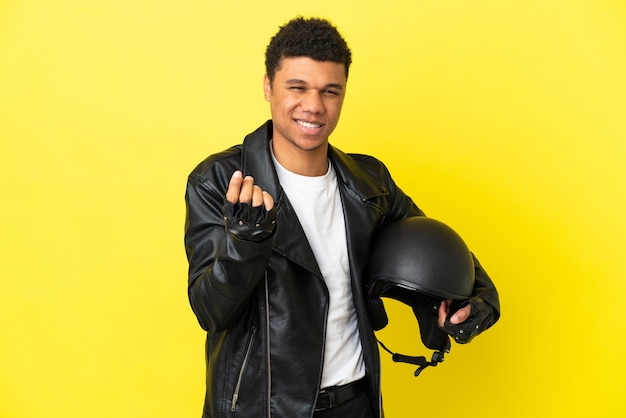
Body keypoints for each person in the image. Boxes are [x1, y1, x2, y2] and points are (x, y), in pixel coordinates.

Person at [184, 16, 500, 418]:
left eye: (329, 91)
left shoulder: (368, 182)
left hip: (355, 404)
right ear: (268, 86)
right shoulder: (218, 180)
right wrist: (246, 242)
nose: (313, 106)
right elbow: (210, 310)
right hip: (262, 409)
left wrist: (480, 299)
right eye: (297, 87)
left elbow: (437, 247)